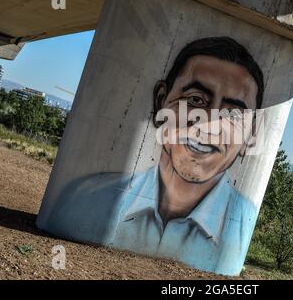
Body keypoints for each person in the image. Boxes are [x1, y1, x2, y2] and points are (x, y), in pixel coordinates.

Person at [46, 37, 265, 275]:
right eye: (195, 100)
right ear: (161, 101)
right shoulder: (83, 199)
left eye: (233, 114)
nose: (208, 125)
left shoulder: (243, 224)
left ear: (250, 135)